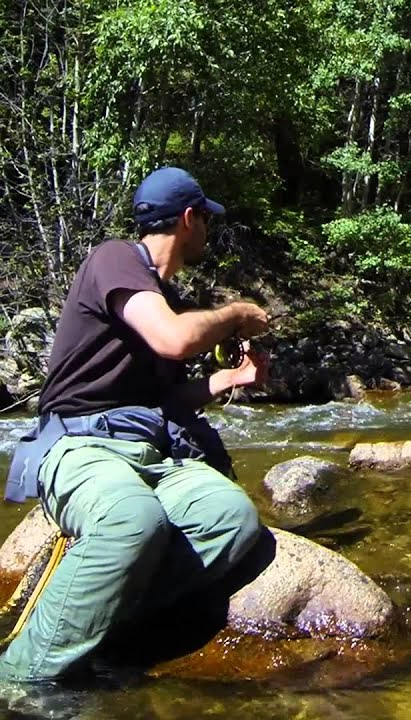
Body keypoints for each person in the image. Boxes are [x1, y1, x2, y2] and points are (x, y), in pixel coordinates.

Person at [0, 166, 271, 682]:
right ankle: (18, 681)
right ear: (189, 219)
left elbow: (166, 401)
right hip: (81, 446)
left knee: (233, 520)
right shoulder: (115, 258)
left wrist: (230, 379)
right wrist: (235, 312)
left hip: (153, 451)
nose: (207, 233)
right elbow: (173, 339)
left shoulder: (167, 302)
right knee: (132, 521)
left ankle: (104, 630)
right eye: (205, 222)